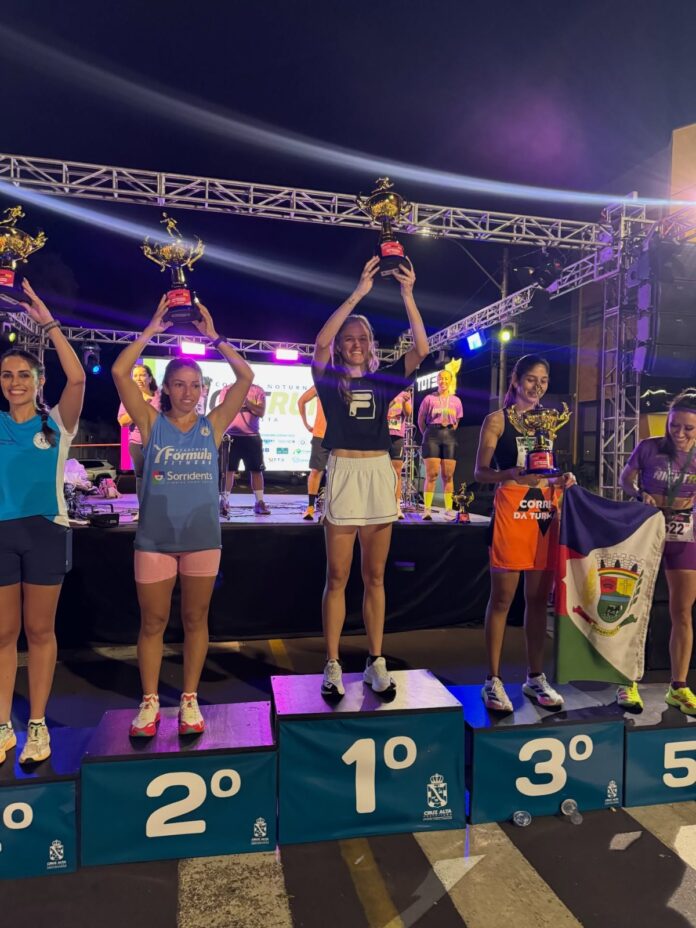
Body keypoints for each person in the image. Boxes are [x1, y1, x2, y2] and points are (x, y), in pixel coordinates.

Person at [112, 296, 253, 737]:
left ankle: (189, 699)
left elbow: (245, 377)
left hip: (202, 541)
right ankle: (150, 701)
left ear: (202, 390)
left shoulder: (213, 425)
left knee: (196, 621)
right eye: (179, 384)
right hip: (154, 541)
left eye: (194, 385)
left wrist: (214, 336)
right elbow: (119, 372)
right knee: (153, 623)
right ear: (167, 389)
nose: (188, 393)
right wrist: (152, 328)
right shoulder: (151, 423)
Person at [312, 256, 428, 699]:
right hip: (344, 471)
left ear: (371, 344)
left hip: (378, 471)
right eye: (349, 339)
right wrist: (359, 293)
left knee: (375, 576)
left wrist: (407, 294)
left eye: (362, 338)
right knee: (337, 576)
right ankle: (333, 663)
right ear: (342, 347)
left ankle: (375, 660)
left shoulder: (382, 380)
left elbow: (420, 348)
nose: (355, 344)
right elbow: (320, 343)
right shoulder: (328, 379)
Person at [0, 280, 85, 765]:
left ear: (38, 381)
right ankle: (2, 725)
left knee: (39, 631)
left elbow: (78, 379)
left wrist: (47, 321)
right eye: (7, 375)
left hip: (47, 533)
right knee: (3, 634)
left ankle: (36, 724)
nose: (14, 383)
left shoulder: (56, 425)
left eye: (23, 375)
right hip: (2, 535)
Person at [474, 354, 575, 713]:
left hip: (543, 512)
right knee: (502, 598)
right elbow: (481, 472)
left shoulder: (548, 421)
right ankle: (493, 679)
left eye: (543, 380)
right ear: (516, 380)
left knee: (537, 600)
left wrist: (563, 478)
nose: (537, 386)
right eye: (531, 379)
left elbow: (547, 468)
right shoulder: (497, 420)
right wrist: (509, 474)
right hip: (510, 511)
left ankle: (535, 677)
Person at [618, 389, 696, 713]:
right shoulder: (649, 447)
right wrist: (640, 494)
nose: (680, 433)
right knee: (634, 608)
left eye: (688, 428)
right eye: (674, 425)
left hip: (684, 534)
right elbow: (625, 478)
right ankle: (626, 682)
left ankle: (678, 687)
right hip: (647, 529)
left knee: (682, 611)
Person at [418, 370, 463, 520]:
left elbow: (457, 421)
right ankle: (427, 509)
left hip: (449, 436)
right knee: (432, 475)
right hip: (432, 435)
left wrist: (448, 431)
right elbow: (420, 420)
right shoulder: (429, 398)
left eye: (446, 378)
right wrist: (428, 433)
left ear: (450, 381)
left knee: (448, 475)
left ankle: (448, 509)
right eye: (440, 378)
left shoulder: (456, 401)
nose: (443, 381)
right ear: (437, 380)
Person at [220, 381, 270, 515]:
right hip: (231, 436)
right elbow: (222, 411)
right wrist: (236, 403)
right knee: (228, 470)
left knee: (256, 470)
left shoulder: (257, 390)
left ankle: (259, 502)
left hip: (252, 436)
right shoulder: (227, 389)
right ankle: (224, 502)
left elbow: (261, 412)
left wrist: (247, 403)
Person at [117, 363, 159, 499]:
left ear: (150, 378)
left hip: (157, 443)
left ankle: (158, 505)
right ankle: (143, 507)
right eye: (135, 376)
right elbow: (123, 422)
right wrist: (140, 404)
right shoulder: (129, 398)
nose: (138, 378)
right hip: (137, 443)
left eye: (142, 375)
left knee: (158, 474)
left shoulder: (160, 397)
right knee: (141, 476)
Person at [297, 384, 328, 520]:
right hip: (321, 435)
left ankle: (335, 506)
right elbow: (301, 401)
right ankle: (310, 507)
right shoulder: (321, 384)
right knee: (316, 470)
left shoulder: (348, 384)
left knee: (341, 473)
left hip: (341, 435)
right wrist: (306, 425)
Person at [387, 388, 413, 519]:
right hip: (381, 436)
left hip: (397, 437)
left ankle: (396, 507)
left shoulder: (404, 394)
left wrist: (404, 402)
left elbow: (408, 413)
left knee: (397, 472)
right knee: (378, 471)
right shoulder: (382, 391)